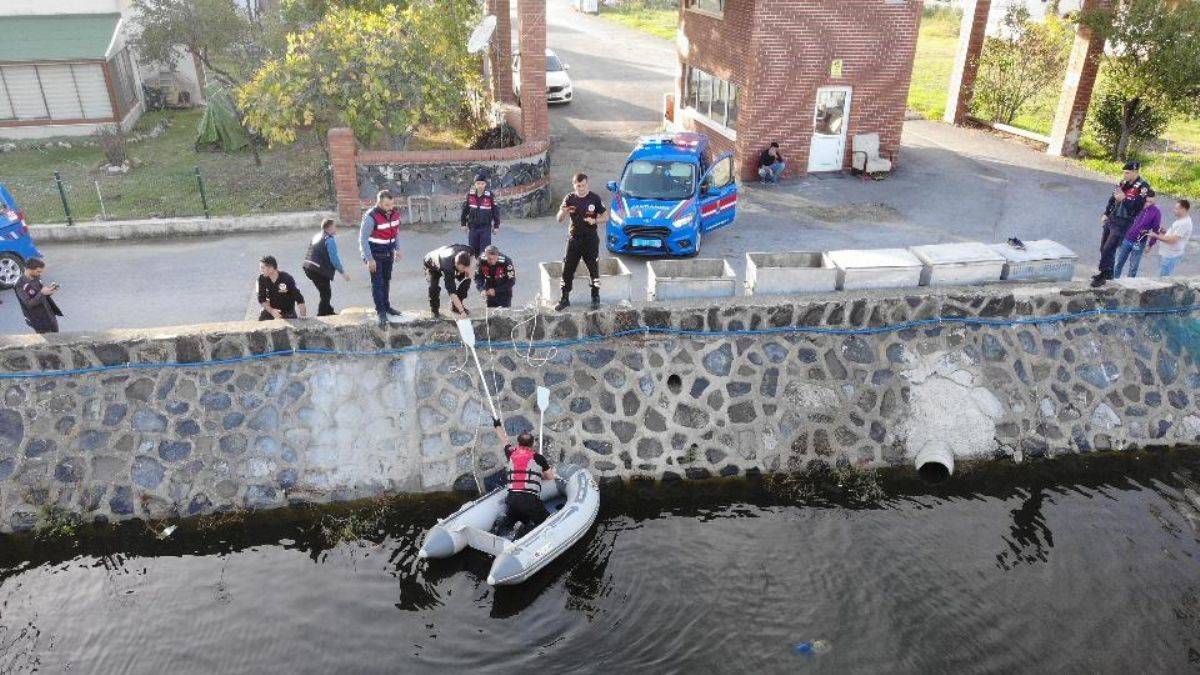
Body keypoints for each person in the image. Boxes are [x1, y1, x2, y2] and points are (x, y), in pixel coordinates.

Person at [491, 422, 556, 538]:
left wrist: (497, 425)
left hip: (512, 498)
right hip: (529, 500)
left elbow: (504, 440)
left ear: (518, 443)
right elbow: (550, 477)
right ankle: (525, 529)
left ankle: (503, 525)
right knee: (546, 521)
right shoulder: (539, 458)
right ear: (533, 444)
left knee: (514, 517)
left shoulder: (511, 453)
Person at [1092, 161, 1150, 287]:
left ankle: (1102, 274)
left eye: (1127, 173)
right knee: (1104, 248)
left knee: (1109, 248)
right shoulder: (1123, 183)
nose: (1125, 175)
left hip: (1124, 222)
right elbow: (1112, 198)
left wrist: (1124, 199)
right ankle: (1109, 273)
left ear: (1135, 172)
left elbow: (1138, 207)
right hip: (1112, 218)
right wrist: (1106, 213)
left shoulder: (1143, 187)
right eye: (1124, 172)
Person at [554, 172, 607, 311]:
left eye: (583, 185)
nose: (581, 188)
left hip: (590, 240)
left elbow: (606, 217)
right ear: (574, 185)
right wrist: (563, 212)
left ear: (587, 184)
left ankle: (595, 297)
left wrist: (595, 220)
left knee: (593, 268)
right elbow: (559, 219)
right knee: (567, 269)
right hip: (574, 240)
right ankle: (564, 298)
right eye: (578, 186)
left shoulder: (594, 198)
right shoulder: (570, 198)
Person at [358, 190, 403, 328]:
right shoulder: (371, 217)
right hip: (375, 254)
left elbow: (395, 233)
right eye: (387, 205)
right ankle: (381, 311)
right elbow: (363, 239)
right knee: (377, 283)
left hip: (388, 253)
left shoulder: (394, 214)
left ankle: (387, 306)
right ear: (379, 203)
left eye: (391, 204)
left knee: (386, 281)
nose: (390, 208)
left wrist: (397, 249)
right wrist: (369, 259)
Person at [302, 218, 351, 316]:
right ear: (329, 227)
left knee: (325, 290)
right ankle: (322, 314)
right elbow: (334, 259)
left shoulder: (318, 235)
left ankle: (328, 310)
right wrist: (343, 273)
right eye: (334, 226)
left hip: (308, 267)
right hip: (317, 270)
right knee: (326, 293)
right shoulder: (329, 240)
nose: (336, 228)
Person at [1113, 189, 1160, 278]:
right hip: (1127, 239)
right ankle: (1114, 281)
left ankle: (1130, 286)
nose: (1148, 204)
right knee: (1119, 263)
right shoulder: (1136, 206)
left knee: (1133, 267)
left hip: (1139, 242)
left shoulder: (1156, 212)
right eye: (1147, 201)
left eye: (1151, 202)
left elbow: (1156, 229)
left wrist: (1150, 245)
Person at [423, 244, 475, 318]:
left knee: (467, 280)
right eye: (462, 268)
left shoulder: (465, 250)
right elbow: (452, 293)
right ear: (456, 264)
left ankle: (455, 307)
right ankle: (434, 311)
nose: (464, 270)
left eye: (465, 267)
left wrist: (470, 269)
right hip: (431, 264)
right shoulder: (448, 268)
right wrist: (462, 311)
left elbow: (473, 255)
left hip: (446, 256)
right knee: (433, 287)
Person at [14, 258, 62, 334]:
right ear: (29, 269)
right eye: (38, 271)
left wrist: (50, 290)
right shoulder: (20, 285)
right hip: (38, 320)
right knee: (48, 341)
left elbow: (40, 294)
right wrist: (42, 293)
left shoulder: (37, 277)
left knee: (56, 336)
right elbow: (29, 304)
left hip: (50, 315)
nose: (40, 274)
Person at [1146, 199, 1192, 277]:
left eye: (1176, 209)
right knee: (1161, 277)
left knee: (1163, 280)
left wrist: (1156, 236)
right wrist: (1165, 232)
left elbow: (1172, 240)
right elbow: (1174, 235)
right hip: (1168, 254)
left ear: (1183, 209)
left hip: (1171, 256)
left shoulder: (1184, 223)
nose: (1174, 210)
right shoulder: (1181, 221)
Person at [460, 173, 501, 256]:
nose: (480, 186)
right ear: (475, 184)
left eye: (482, 183)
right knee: (472, 251)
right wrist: (463, 224)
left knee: (485, 252)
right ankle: (474, 268)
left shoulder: (490, 196)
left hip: (485, 228)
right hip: (473, 228)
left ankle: (482, 268)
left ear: (485, 184)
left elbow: (495, 211)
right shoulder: (470, 195)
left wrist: (496, 226)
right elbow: (464, 210)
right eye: (478, 183)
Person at [257, 255, 307, 320]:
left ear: (271, 268)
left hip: (287, 312)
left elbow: (299, 298)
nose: (261, 270)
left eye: (262, 268)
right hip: (272, 310)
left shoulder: (287, 278)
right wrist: (272, 311)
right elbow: (261, 299)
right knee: (260, 325)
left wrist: (303, 316)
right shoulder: (261, 278)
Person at [475, 244, 516, 309]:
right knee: (491, 313)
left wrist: (496, 290)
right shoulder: (481, 260)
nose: (491, 261)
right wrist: (481, 289)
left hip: (504, 292)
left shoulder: (507, 262)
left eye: (493, 259)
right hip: (489, 290)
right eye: (489, 259)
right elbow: (478, 277)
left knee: (504, 314)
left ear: (497, 256)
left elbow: (511, 281)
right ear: (486, 255)